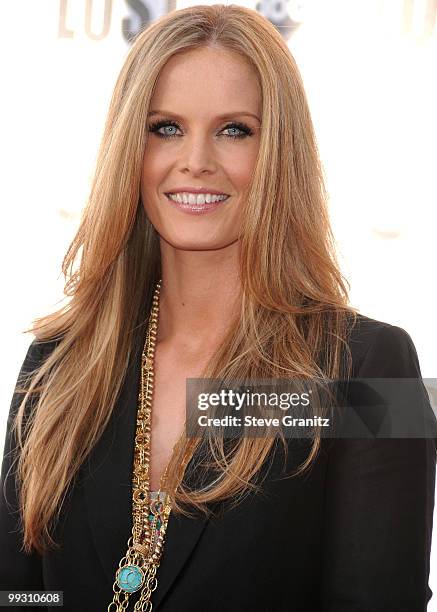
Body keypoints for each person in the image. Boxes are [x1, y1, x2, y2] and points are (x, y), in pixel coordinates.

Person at [0, 4, 435, 611]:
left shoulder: (368, 369)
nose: (196, 160)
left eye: (235, 130)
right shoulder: (56, 365)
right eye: (166, 127)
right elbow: (19, 595)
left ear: (280, 154)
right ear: (131, 146)